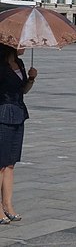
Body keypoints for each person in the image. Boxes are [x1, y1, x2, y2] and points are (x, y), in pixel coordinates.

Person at [0, 45, 37, 224]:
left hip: (18, 114)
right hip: (3, 115)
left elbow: (22, 90)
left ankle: (8, 204)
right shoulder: (0, 66)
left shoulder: (20, 63)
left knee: (10, 163)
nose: (25, 46)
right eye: (21, 43)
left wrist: (31, 79)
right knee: (0, 164)